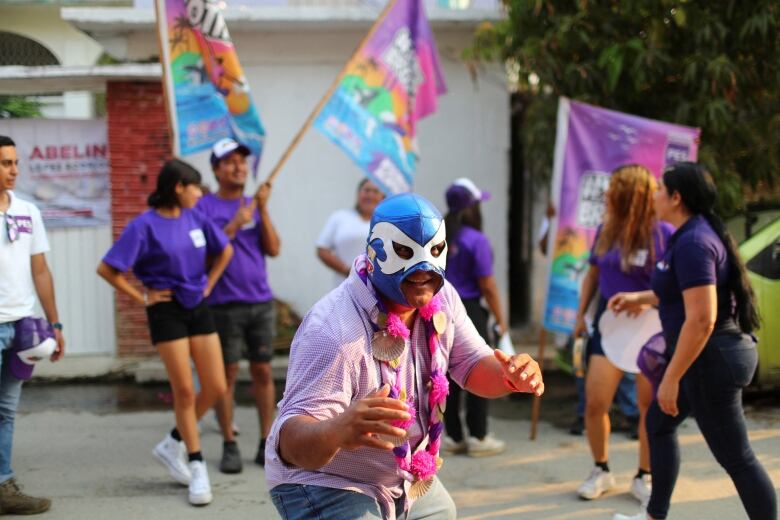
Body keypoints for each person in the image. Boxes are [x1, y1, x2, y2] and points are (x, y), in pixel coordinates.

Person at [265, 193, 544, 519]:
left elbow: (473, 365)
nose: (424, 270)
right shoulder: (334, 332)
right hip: (324, 481)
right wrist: (337, 430)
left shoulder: (444, 298)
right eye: (404, 253)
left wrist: (511, 375)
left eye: (434, 253)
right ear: (373, 253)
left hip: (402, 477)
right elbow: (290, 445)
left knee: (443, 513)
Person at [610, 162, 777, 520]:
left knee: (737, 456)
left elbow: (702, 319)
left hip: (709, 359)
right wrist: (639, 299)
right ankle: (655, 514)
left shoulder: (695, 242)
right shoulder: (688, 235)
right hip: (703, 356)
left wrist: (671, 377)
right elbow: (682, 294)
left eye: (658, 189)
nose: (653, 196)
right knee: (658, 423)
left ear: (676, 197)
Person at [97, 158, 232, 506]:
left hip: (197, 305)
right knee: (185, 391)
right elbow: (107, 269)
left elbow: (225, 250)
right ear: (177, 187)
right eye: (195, 187)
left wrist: (209, 285)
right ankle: (196, 464)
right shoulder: (144, 226)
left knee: (216, 386)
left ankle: (173, 442)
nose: (200, 194)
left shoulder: (196, 217)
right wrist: (143, 296)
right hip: (166, 309)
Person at [573, 165, 673, 504]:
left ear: (631, 194)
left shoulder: (663, 233)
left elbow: (677, 287)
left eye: (614, 189)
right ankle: (601, 469)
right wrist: (580, 315)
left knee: (649, 405)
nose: (607, 194)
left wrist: (644, 300)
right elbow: (593, 275)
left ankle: (644, 475)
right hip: (607, 327)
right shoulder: (606, 230)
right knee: (595, 402)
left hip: (651, 330)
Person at [196, 137, 281, 472]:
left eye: (242, 162)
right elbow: (200, 255)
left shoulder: (253, 204)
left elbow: (273, 249)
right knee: (226, 375)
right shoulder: (203, 208)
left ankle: (266, 441)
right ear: (216, 169)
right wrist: (232, 225)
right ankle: (229, 442)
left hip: (260, 301)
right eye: (230, 162)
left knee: (262, 370)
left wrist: (261, 209)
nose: (239, 167)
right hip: (222, 305)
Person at [0, 135, 65, 515]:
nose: (14, 170)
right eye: (6, 163)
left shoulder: (27, 211)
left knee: (6, 410)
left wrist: (54, 324)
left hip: (22, 327)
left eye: (15, 163)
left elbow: (40, 270)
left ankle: (3, 484)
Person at [439, 178, 508, 457]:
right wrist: (501, 319)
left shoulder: (440, 235)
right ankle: (479, 436)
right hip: (469, 310)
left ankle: (453, 436)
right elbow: (488, 285)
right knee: (478, 368)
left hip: (440, 310)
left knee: (446, 373)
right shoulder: (476, 240)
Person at [316, 178, 384, 288]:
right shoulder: (340, 217)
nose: (370, 195)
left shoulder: (387, 223)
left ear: (382, 197)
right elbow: (322, 250)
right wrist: (348, 271)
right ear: (358, 194)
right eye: (366, 190)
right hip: (344, 288)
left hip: (378, 290)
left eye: (375, 191)